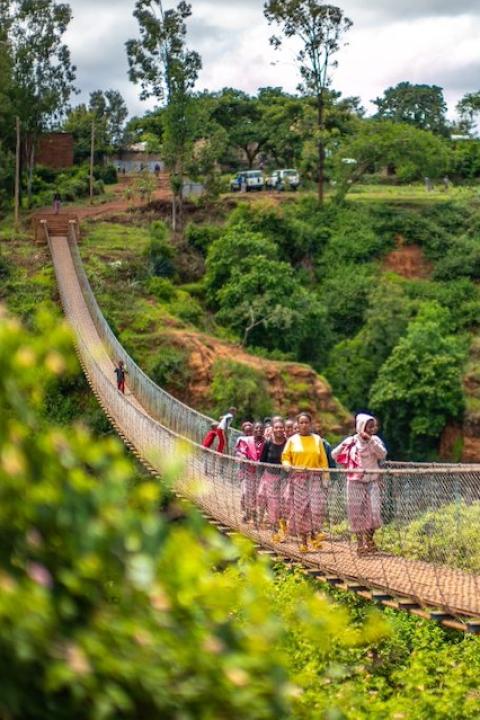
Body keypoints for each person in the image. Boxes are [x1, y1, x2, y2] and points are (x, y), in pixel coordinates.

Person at [332, 413, 387, 556]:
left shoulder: (375, 440)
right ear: (361, 426)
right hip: (355, 482)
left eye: (373, 426)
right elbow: (334, 454)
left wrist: (371, 441)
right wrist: (346, 456)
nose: (371, 429)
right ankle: (360, 544)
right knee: (356, 513)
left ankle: (369, 539)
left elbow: (382, 454)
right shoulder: (351, 441)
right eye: (368, 426)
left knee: (374, 512)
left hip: (372, 482)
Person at [281, 413, 330, 553]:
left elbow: (323, 460)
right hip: (298, 478)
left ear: (311, 424)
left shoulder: (317, 440)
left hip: (314, 478)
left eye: (306, 422)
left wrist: (326, 478)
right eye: (301, 423)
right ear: (298, 424)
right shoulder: (292, 440)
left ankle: (314, 536)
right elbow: (285, 457)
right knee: (301, 510)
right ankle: (303, 542)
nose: (304, 425)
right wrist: (287, 465)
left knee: (316, 508)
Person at [258, 417, 287, 542]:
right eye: (276, 427)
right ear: (273, 429)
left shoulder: (288, 443)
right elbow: (262, 461)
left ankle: (282, 530)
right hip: (269, 477)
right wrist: (259, 478)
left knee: (283, 505)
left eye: (281, 427)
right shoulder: (268, 443)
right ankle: (275, 531)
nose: (279, 429)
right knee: (272, 505)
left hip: (284, 478)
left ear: (284, 429)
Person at [237, 421, 265, 523]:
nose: (259, 430)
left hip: (261, 473)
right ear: (254, 430)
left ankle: (251, 514)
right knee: (246, 493)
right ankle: (248, 512)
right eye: (256, 428)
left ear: (264, 430)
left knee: (257, 495)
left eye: (261, 428)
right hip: (248, 472)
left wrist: (261, 462)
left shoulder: (266, 442)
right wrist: (244, 457)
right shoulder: (246, 440)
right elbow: (241, 452)